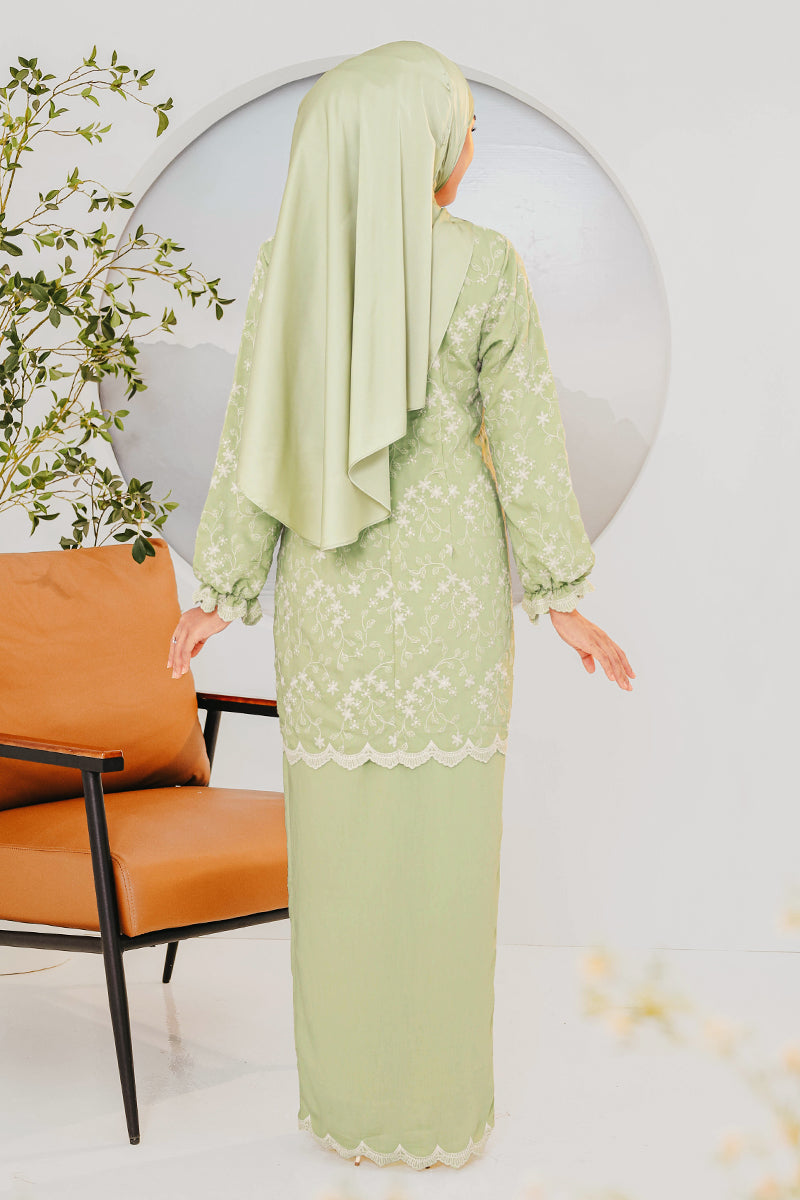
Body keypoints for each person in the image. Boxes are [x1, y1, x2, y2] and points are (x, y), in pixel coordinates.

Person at [167, 39, 635, 1171]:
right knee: (444, 860)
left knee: (340, 859)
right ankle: (432, 1112)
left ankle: (351, 1108)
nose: (470, 147)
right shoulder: (487, 266)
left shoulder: (290, 263)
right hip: (450, 606)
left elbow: (254, 439)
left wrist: (221, 589)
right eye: (463, 127)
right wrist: (560, 595)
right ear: (417, 143)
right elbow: (526, 441)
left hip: (327, 600)